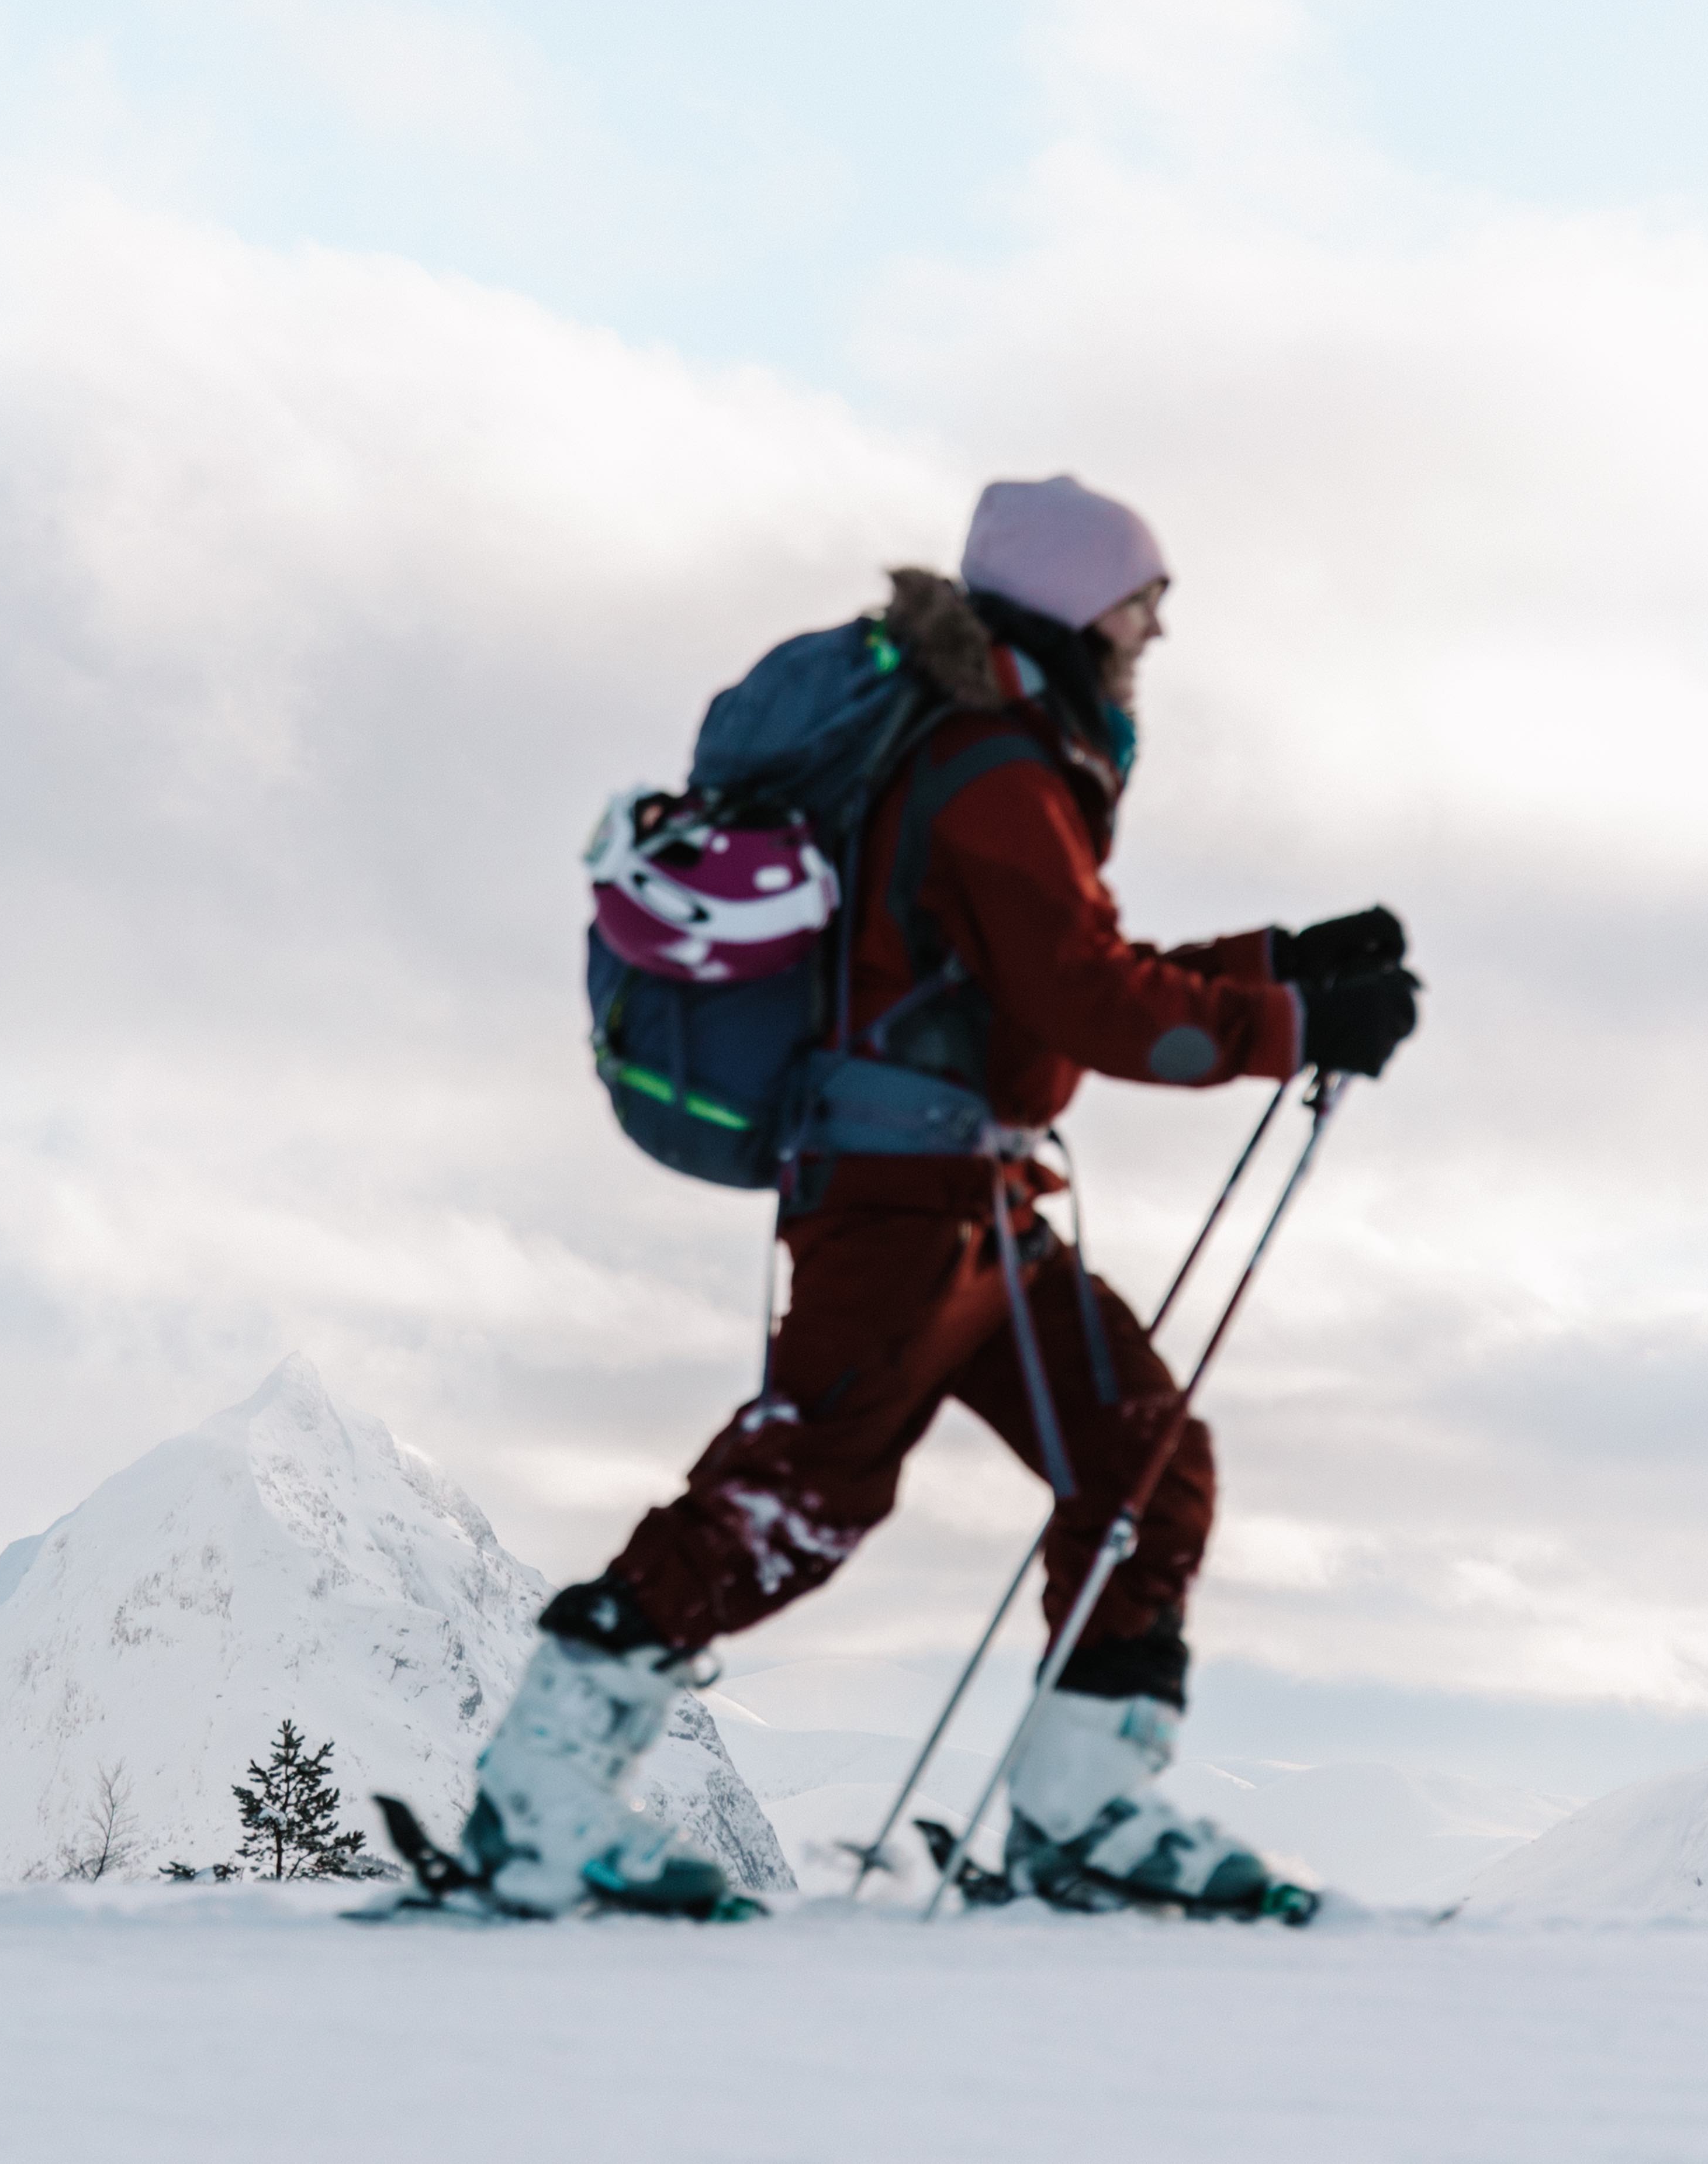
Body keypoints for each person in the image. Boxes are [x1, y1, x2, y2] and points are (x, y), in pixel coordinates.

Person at [462, 475, 1415, 1918]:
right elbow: (1086, 997)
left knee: (1144, 1457)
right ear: (1075, 609)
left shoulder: (1005, 756)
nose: (1156, 626)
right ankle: (538, 1797)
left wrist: (1281, 959)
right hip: (904, 1198)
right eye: (1139, 598)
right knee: (804, 1485)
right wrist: (1288, 1025)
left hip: (974, 1193)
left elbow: (1049, 966)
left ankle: (1084, 1811)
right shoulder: (993, 772)